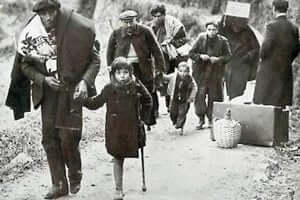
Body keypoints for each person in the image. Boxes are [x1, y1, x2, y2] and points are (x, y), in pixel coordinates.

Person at [5, 0, 100, 199]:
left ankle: (75, 172)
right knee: (49, 139)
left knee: (68, 138)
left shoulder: (75, 30)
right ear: (38, 14)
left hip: (71, 91)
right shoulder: (32, 34)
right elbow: (24, 66)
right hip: (48, 94)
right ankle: (58, 184)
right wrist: (43, 80)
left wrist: (84, 82)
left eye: (51, 13)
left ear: (57, 11)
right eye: (43, 14)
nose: (47, 18)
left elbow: (95, 60)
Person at [84, 57, 152, 200]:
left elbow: (148, 100)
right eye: (119, 72)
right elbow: (96, 103)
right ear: (113, 74)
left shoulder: (136, 86)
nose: (122, 76)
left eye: (125, 72)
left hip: (131, 127)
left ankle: (119, 188)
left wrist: (144, 119)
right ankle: (118, 189)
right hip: (114, 128)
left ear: (130, 73)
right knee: (117, 156)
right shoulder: (109, 88)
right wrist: (83, 100)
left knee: (122, 154)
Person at [253, 0, 299, 107]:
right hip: (285, 70)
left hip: (270, 70)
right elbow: (296, 49)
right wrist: (287, 61)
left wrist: (262, 57)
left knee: (267, 103)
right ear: (287, 9)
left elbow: (265, 48)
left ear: (274, 9)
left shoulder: (271, 26)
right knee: (281, 104)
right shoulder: (294, 28)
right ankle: (280, 123)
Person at [189, 22, 231, 130]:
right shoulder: (200, 38)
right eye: (209, 29)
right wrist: (200, 56)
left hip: (215, 74)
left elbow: (228, 56)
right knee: (200, 97)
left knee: (214, 97)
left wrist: (218, 59)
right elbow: (191, 53)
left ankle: (211, 119)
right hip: (201, 73)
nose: (211, 32)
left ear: (217, 30)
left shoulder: (223, 41)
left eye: (214, 29)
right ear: (206, 30)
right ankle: (200, 118)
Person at [150, 3, 188, 110]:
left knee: (170, 79)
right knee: (156, 79)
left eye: (159, 16)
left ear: (163, 15)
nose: (157, 18)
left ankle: (169, 105)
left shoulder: (174, 24)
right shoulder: (152, 27)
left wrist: (171, 43)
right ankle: (155, 108)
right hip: (157, 56)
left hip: (172, 55)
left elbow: (184, 40)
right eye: (155, 16)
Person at [219, 15, 260, 100]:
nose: (236, 28)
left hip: (242, 65)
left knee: (238, 92)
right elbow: (219, 33)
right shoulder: (225, 30)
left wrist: (247, 56)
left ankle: (234, 104)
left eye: (238, 25)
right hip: (229, 64)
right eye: (234, 25)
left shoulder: (248, 32)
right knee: (228, 89)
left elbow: (256, 48)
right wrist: (224, 18)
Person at [163, 61, 197, 135]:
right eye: (181, 71)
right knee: (172, 112)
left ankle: (180, 126)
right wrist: (161, 74)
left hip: (184, 99)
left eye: (185, 71)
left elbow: (194, 87)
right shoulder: (173, 76)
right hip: (174, 98)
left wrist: (191, 97)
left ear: (188, 72)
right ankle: (174, 121)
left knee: (182, 113)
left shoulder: (190, 79)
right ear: (177, 70)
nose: (183, 73)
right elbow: (166, 77)